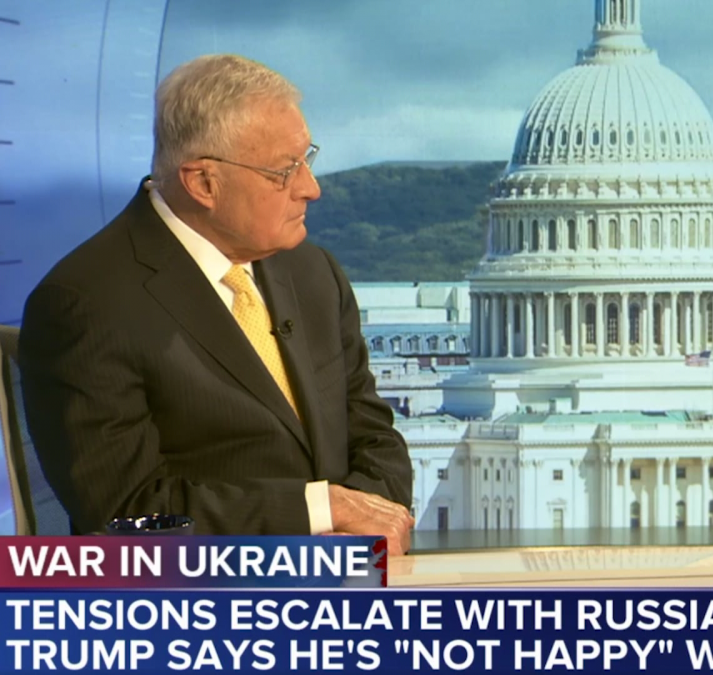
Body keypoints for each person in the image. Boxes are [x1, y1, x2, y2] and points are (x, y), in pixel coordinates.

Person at [18, 54, 415, 553]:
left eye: (307, 159)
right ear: (203, 182)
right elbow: (126, 511)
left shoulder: (314, 273)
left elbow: (376, 438)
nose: (311, 189)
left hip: (351, 581)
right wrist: (318, 512)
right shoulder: (84, 304)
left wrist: (362, 530)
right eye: (284, 171)